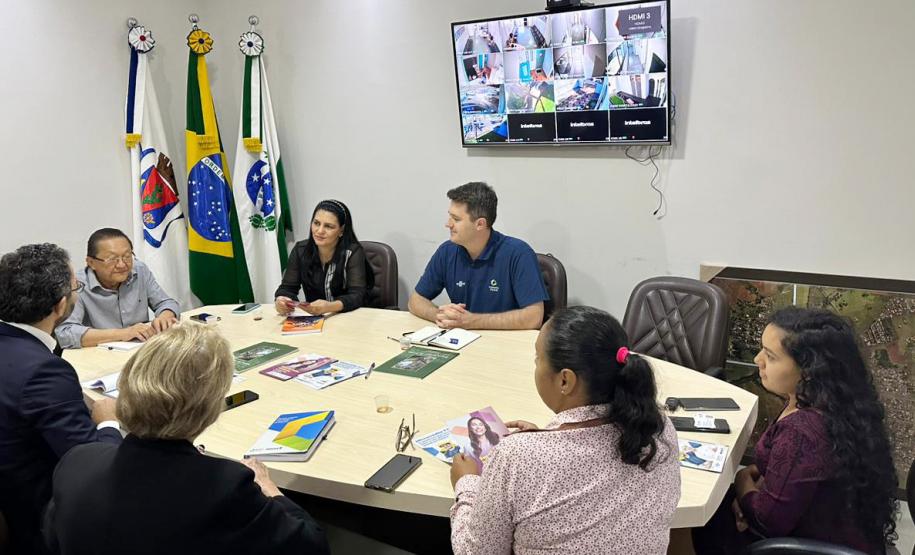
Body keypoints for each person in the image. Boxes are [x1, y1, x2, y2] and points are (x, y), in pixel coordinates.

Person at [43, 323, 330, 555]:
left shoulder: (76, 462)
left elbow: (54, 537)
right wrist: (269, 488)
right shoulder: (226, 486)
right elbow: (312, 544)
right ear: (211, 409)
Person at [449, 306, 680, 554]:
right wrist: (546, 438)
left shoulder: (514, 457)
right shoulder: (659, 427)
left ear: (565, 380)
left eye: (537, 359)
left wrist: (467, 483)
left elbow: (476, 551)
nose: (535, 365)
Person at [692, 307, 898, 555]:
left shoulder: (801, 432)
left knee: (691, 522)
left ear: (808, 370)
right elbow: (794, 470)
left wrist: (742, 480)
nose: (757, 360)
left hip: (800, 545)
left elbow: (767, 521)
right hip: (829, 530)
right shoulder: (830, 403)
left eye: (770, 356)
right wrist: (752, 481)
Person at [0, 243, 121, 555]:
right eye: (76, 287)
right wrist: (108, 422)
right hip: (41, 522)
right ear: (60, 305)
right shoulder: (42, 372)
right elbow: (95, 469)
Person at [409, 182, 548, 330]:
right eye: (450, 216)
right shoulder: (447, 251)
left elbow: (534, 317)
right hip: (460, 339)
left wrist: (472, 321)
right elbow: (415, 300)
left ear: (480, 224)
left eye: (456, 219)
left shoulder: (518, 254)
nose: (448, 224)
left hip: (504, 341)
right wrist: (439, 315)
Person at [55, 228, 180, 349]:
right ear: (91, 262)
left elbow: (166, 303)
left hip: (142, 349)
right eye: (112, 259)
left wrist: (165, 316)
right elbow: (65, 333)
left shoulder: (140, 270)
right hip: (99, 354)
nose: (122, 264)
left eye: (127, 256)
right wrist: (123, 333)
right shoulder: (77, 285)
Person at [274, 199, 373, 316]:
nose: (320, 231)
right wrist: (282, 300)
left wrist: (330, 307)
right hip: (316, 319)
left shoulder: (353, 252)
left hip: (350, 316)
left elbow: (357, 296)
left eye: (329, 226)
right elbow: (287, 288)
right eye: (316, 223)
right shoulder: (301, 250)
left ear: (341, 230)